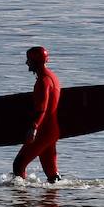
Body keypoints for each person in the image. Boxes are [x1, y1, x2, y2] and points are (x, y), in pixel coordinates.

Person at [12, 46, 62, 183]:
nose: (26, 63)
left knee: (19, 165)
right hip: (52, 130)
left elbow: (42, 109)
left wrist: (34, 127)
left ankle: (21, 201)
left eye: (28, 60)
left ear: (35, 61)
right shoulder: (52, 77)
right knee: (52, 175)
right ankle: (52, 202)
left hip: (43, 131)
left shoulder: (43, 81)